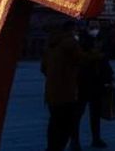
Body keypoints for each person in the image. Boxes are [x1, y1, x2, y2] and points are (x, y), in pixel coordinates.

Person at [71, 20, 114, 149]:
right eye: (92, 26)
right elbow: (79, 60)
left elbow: (105, 61)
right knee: (78, 113)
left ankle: (96, 138)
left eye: (96, 26)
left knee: (95, 113)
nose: (95, 29)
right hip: (83, 82)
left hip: (98, 82)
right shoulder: (81, 40)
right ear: (87, 27)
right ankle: (75, 141)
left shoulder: (102, 40)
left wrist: (109, 78)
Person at [41, 21, 82, 151]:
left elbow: (43, 67)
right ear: (71, 30)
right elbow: (81, 60)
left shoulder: (51, 44)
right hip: (67, 91)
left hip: (51, 91)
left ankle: (51, 147)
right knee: (66, 123)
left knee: (54, 122)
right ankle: (59, 147)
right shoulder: (71, 43)